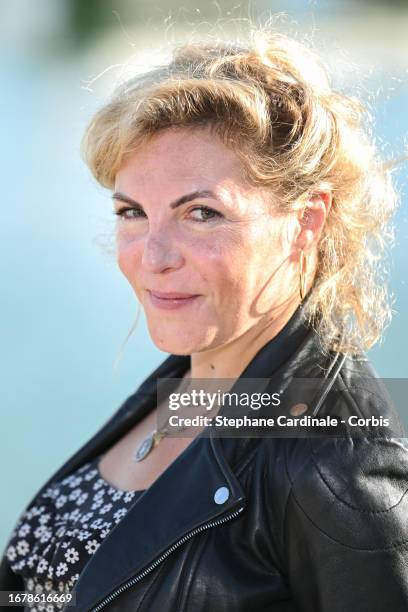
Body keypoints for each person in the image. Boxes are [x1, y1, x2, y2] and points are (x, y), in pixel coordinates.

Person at [1, 28, 408, 612]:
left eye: (201, 213)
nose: (155, 255)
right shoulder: (188, 389)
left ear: (307, 221)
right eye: (132, 212)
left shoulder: (338, 463)